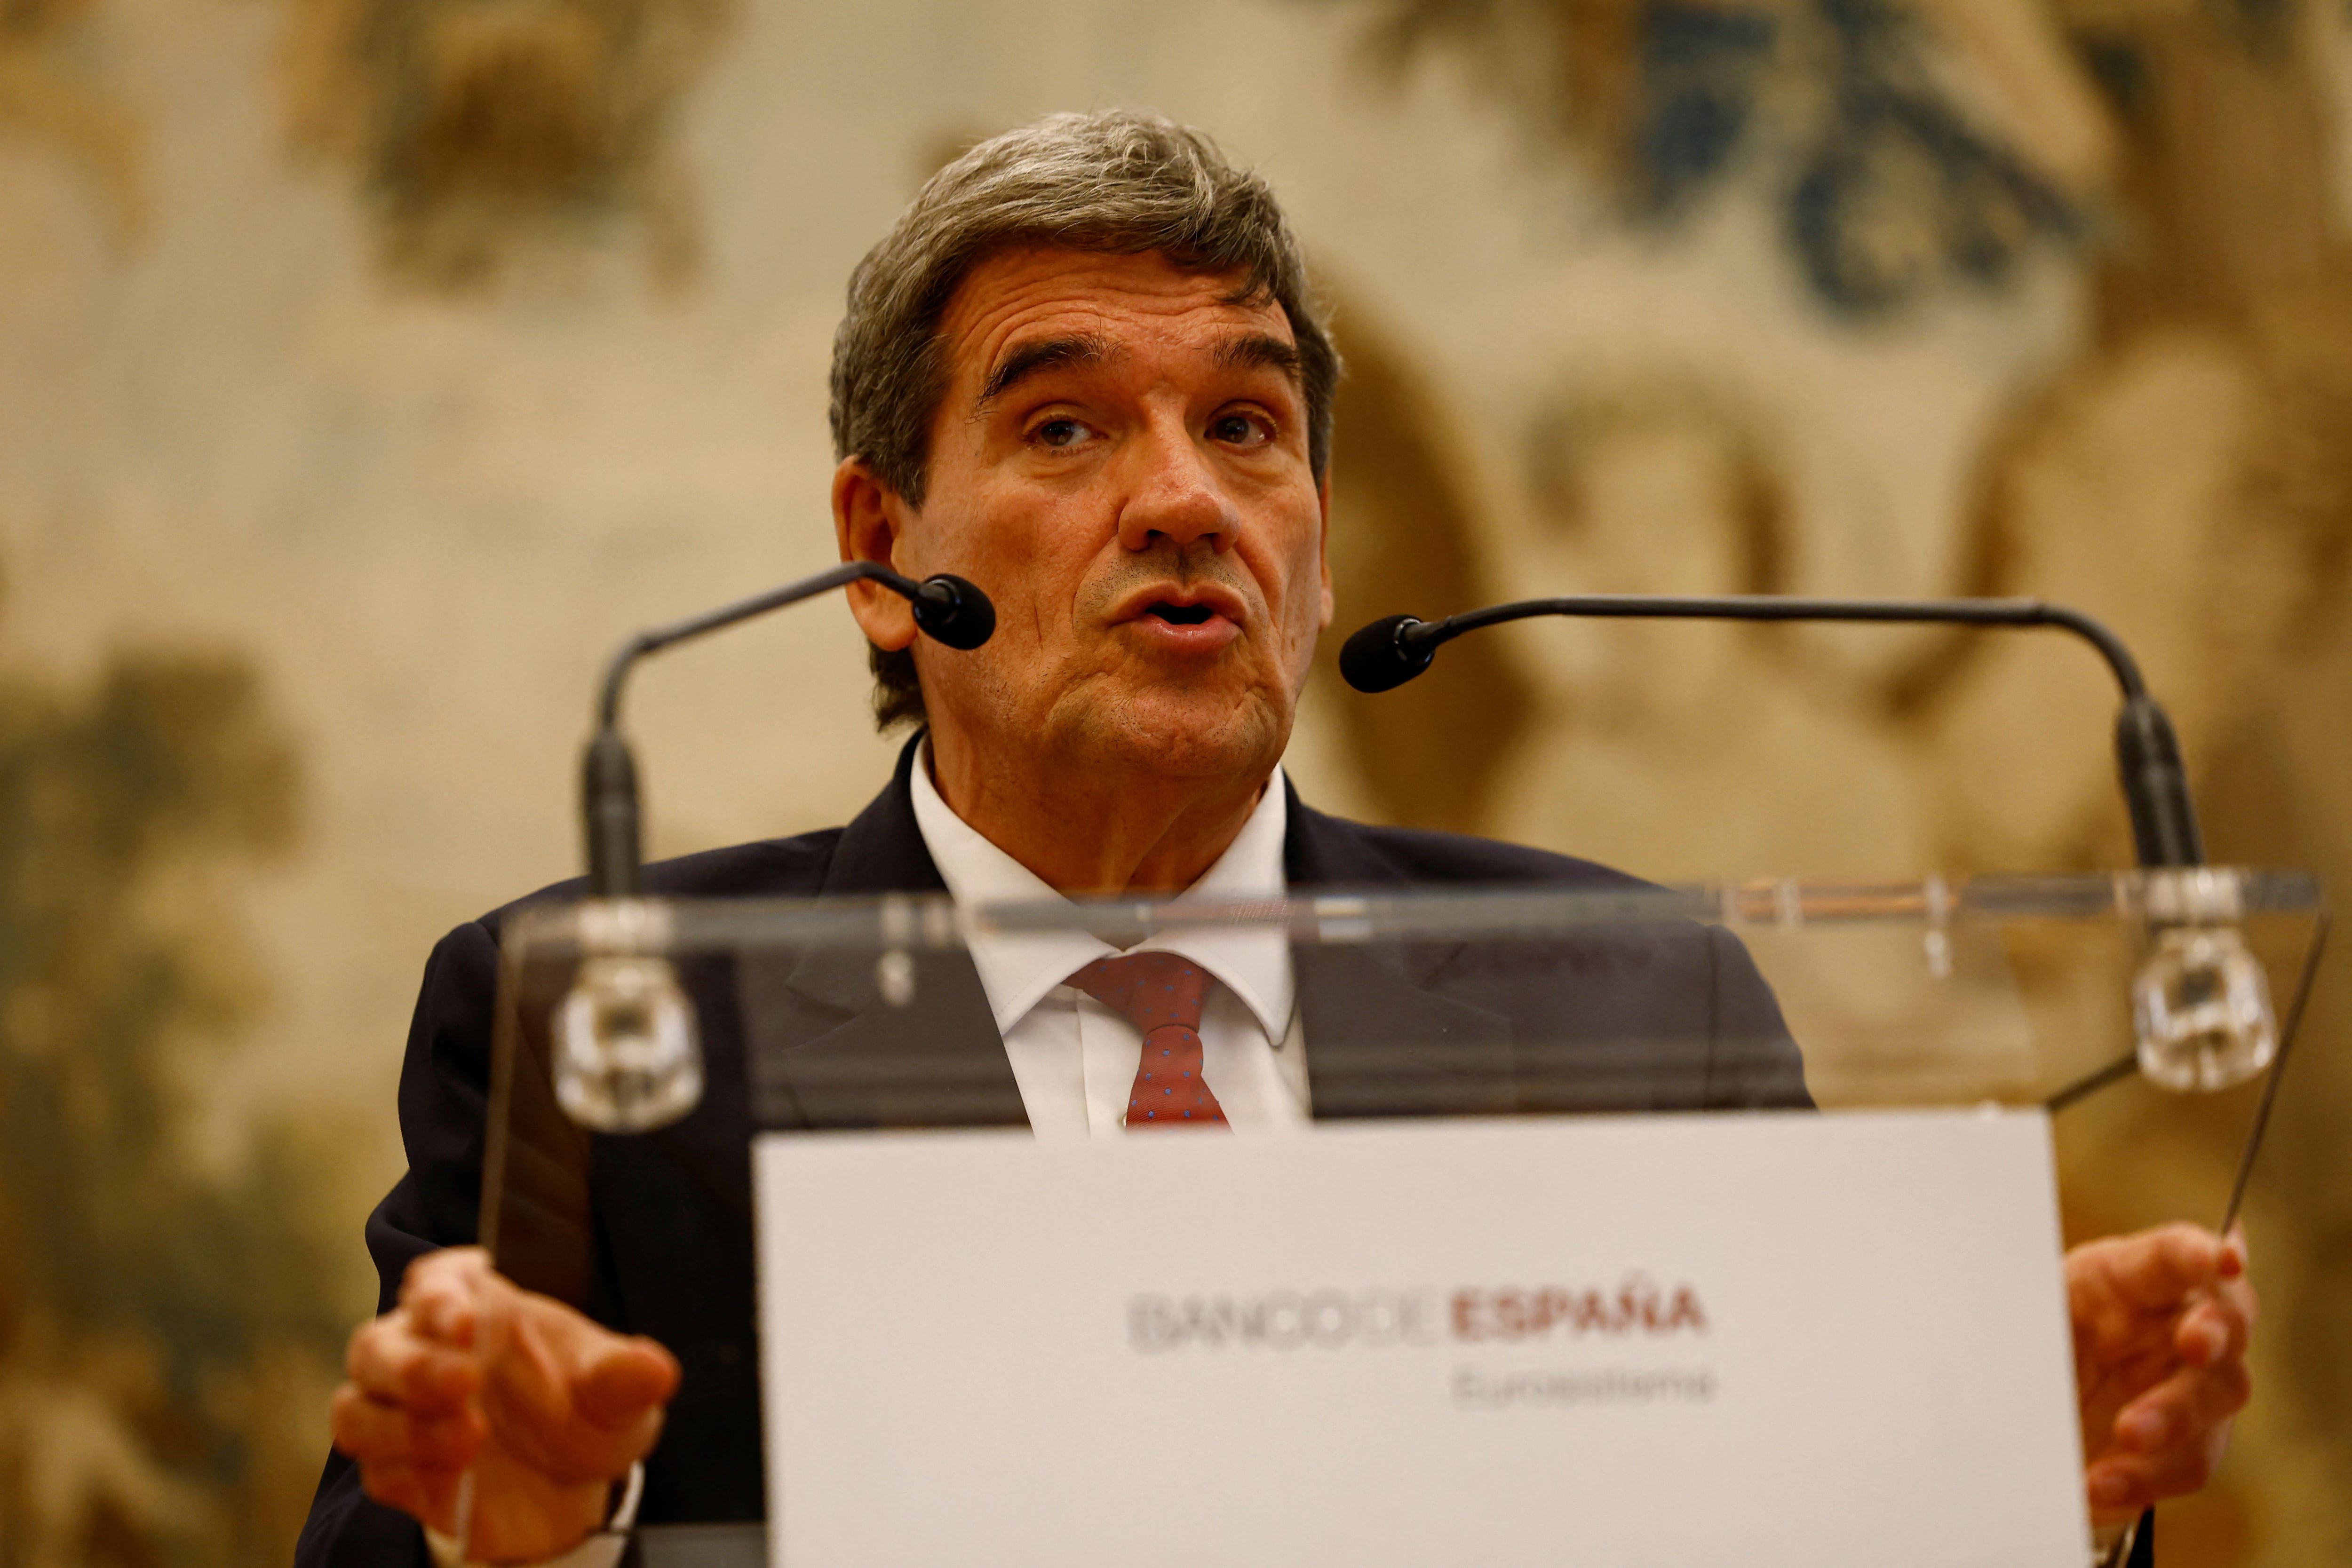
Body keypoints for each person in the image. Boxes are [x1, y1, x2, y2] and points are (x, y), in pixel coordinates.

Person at [298, 111, 2254, 1568]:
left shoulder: (1625, 996)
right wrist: (539, 1536)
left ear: (1319, 540)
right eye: (1064, 430)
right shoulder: (599, 1023)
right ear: (880, 554)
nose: (1181, 500)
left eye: (1246, 428)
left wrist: (2003, 1483)